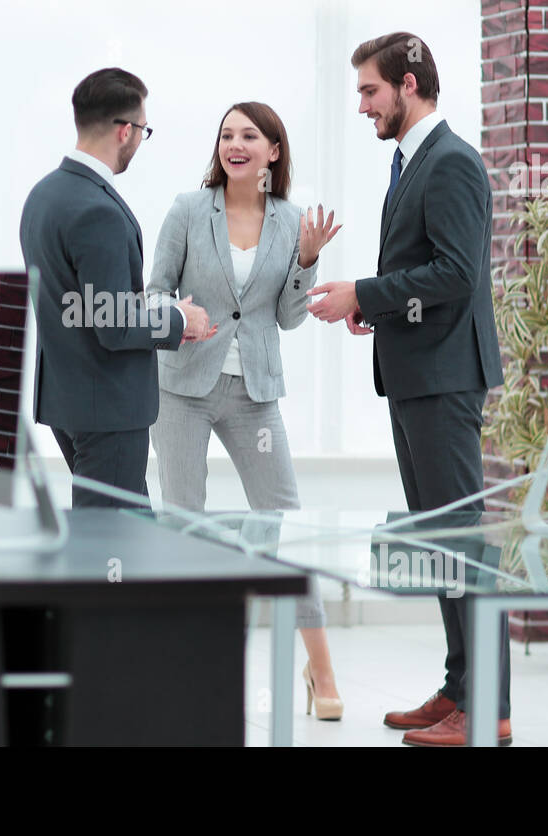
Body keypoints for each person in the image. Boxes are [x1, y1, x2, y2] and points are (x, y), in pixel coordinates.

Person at [306, 32, 509, 746]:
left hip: (446, 380)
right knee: (440, 544)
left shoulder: (451, 162)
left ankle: (489, 707)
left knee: (461, 543)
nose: (363, 106)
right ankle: (460, 687)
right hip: (419, 375)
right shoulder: (412, 161)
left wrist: (363, 289)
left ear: (410, 84)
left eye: (370, 91)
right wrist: (377, 306)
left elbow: (457, 274)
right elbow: (428, 275)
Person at [146, 101, 344, 719]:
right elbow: (152, 295)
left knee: (284, 521)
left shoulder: (289, 222)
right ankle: (187, 663)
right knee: (185, 523)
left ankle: (321, 667)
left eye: (249, 135)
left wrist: (309, 263)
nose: (236, 144)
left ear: (273, 151)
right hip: (181, 387)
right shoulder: (186, 209)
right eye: (227, 135)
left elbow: (287, 318)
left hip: (254, 392)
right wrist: (181, 317)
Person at [19, 67, 215, 507]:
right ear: (125, 131)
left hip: (68, 401)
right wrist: (181, 318)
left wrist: (150, 308)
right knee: (112, 544)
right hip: (106, 406)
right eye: (144, 130)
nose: (141, 141)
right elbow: (113, 326)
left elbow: (83, 301)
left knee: (124, 532)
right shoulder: (97, 210)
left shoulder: (43, 195)